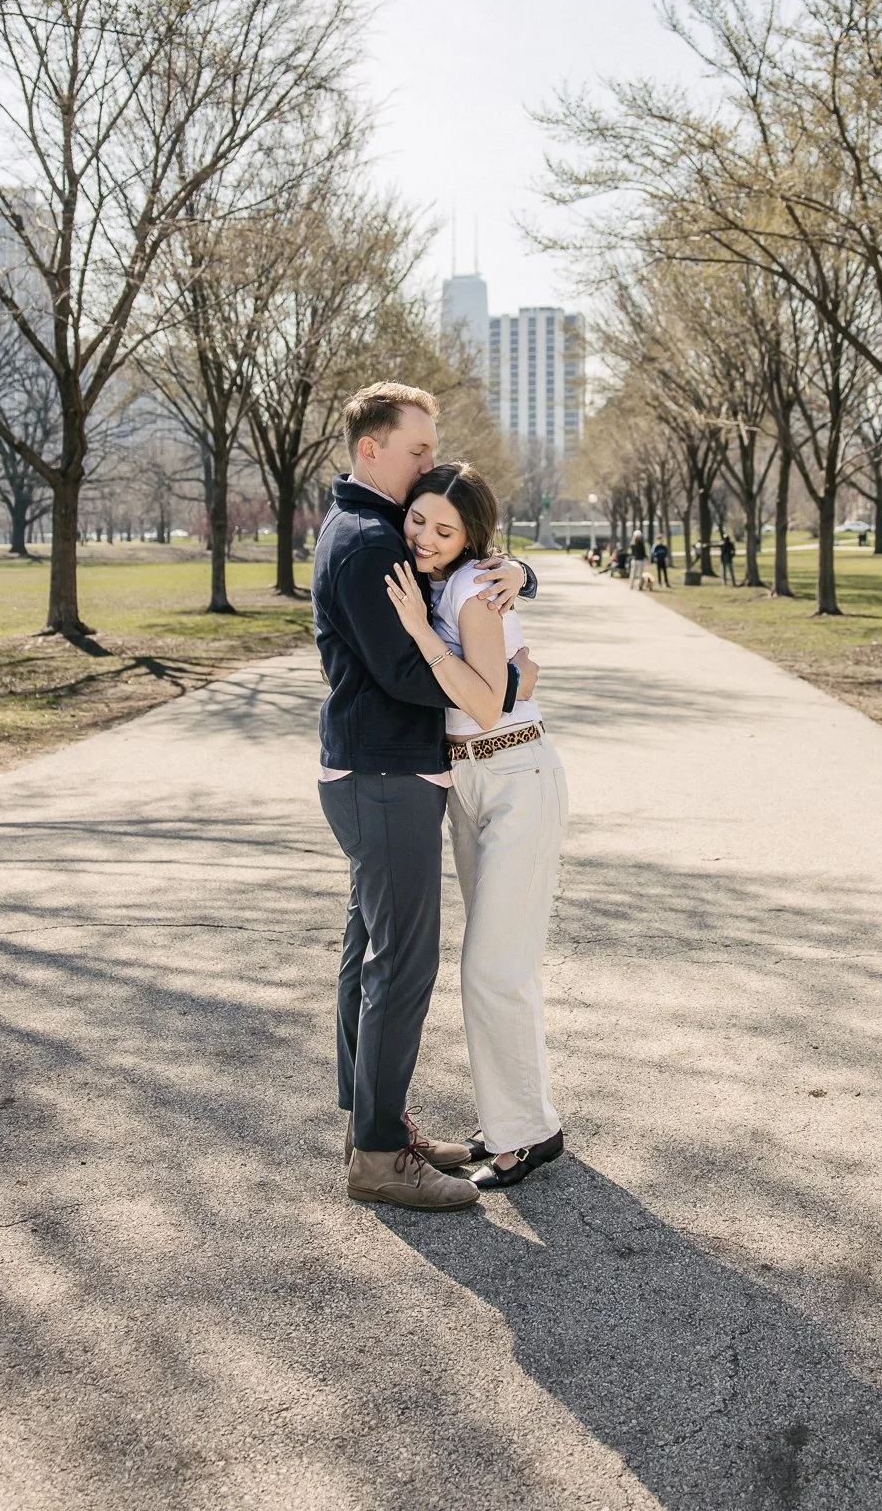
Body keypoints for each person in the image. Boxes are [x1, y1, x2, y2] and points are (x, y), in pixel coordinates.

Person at [313, 383, 538, 1213]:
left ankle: (373, 1124)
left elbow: (462, 563)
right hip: (383, 776)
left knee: (369, 953)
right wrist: (504, 682)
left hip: (375, 771)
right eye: (415, 451)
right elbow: (406, 673)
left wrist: (518, 570)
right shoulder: (370, 541)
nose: (425, 466)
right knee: (400, 965)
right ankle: (377, 1155)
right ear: (370, 448)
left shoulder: (369, 529)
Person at [386, 462, 568, 1192]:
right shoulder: (440, 581)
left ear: (470, 538)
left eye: (443, 528)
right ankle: (519, 1121)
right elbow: (513, 674)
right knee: (499, 964)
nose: (424, 536)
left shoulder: (469, 587)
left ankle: (526, 1134)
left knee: (493, 966)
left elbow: (489, 704)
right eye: (418, 520)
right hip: (470, 778)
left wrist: (422, 639)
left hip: (515, 772)